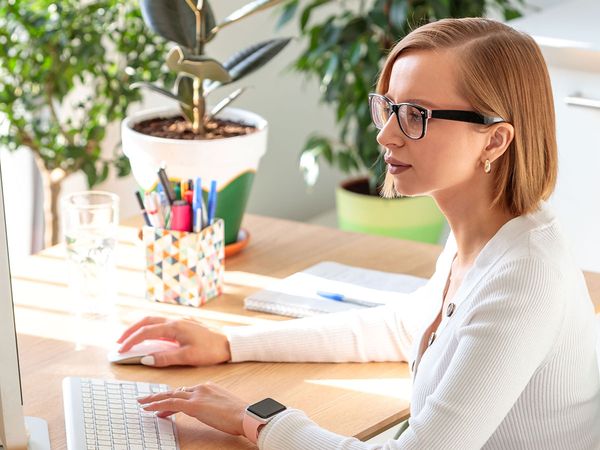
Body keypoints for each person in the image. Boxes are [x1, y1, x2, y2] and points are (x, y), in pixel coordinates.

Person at [117, 17, 600, 449]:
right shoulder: (479, 236)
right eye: (387, 107)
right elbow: (400, 327)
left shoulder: (525, 276)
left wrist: (255, 420)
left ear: (494, 139)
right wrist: (229, 344)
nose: (386, 134)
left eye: (416, 115)